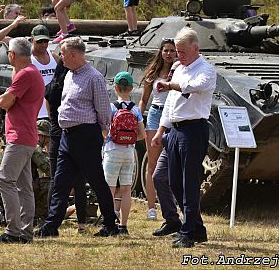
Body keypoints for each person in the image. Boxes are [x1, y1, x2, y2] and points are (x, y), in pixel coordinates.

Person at [35, 37, 118, 238]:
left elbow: (104, 111)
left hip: (86, 136)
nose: (60, 58)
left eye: (63, 54)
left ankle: (110, 224)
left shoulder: (93, 77)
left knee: (97, 181)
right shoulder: (70, 75)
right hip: (66, 136)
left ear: (73, 54)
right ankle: (51, 225)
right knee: (60, 182)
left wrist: (100, 132)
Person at [151, 28, 216, 248]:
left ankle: (188, 231)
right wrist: (161, 130)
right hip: (175, 130)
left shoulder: (206, 70)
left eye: (183, 51)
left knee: (190, 183)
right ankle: (197, 228)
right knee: (174, 181)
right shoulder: (179, 68)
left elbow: (194, 87)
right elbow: (170, 103)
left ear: (196, 48)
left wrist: (170, 84)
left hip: (194, 129)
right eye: (177, 51)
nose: (179, 55)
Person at [0, 37, 44, 244]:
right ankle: (25, 232)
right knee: (23, 186)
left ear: (12, 55)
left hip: (19, 137)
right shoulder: (31, 73)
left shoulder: (25, 75)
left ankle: (13, 231)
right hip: (27, 136)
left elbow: (4, 102)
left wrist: (5, 97)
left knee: (5, 180)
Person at [44, 60, 88, 233]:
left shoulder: (50, 88)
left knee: (55, 180)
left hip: (55, 134)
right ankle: (82, 224)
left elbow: (49, 113)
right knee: (79, 182)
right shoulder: (71, 87)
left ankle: (51, 218)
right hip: (72, 134)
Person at [138, 38, 178, 223]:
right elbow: (144, 99)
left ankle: (171, 203)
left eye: (172, 50)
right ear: (161, 52)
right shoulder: (153, 73)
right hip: (155, 115)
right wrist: (138, 116)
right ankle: (151, 207)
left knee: (172, 163)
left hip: (173, 116)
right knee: (153, 164)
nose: (169, 53)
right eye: (166, 50)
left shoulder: (180, 71)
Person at [103, 71, 146, 235]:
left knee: (110, 189)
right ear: (131, 88)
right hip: (129, 151)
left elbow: (106, 131)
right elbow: (142, 134)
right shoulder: (135, 110)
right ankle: (123, 226)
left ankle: (109, 224)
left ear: (115, 87)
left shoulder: (112, 107)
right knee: (126, 189)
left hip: (113, 150)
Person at [30, 25, 58, 121]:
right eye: (39, 41)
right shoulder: (27, 60)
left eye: (46, 41)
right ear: (32, 39)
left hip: (53, 111)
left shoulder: (54, 57)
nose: (43, 44)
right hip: (35, 113)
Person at [31, 119, 52, 224]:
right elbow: (49, 170)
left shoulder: (23, 141)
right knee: (48, 183)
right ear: (43, 136)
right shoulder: (34, 147)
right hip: (20, 190)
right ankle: (41, 214)